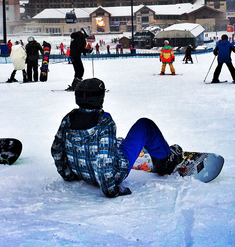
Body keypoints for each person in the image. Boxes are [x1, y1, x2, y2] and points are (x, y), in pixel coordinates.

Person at [51, 78, 183, 198]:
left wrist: (68, 174)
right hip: (113, 174)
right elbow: (103, 163)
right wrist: (111, 190)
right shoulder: (104, 123)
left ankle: (118, 146)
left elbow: (57, 149)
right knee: (145, 125)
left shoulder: (69, 118)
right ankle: (165, 161)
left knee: (116, 141)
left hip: (81, 172)